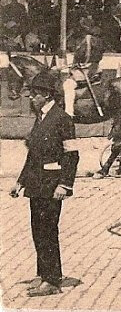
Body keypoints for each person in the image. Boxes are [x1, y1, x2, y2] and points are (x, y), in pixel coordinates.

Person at [10, 70, 80, 297]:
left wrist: (65, 185)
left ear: (47, 96)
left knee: (48, 230)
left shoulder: (62, 119)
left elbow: (71, 155)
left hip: (52, 185)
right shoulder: (40, 118)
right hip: (36, 185)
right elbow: (33, 156)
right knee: (37, 230)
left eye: (35, 95)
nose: (31, 98)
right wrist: (20, 182)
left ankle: (52, 279)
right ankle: (42, 274)